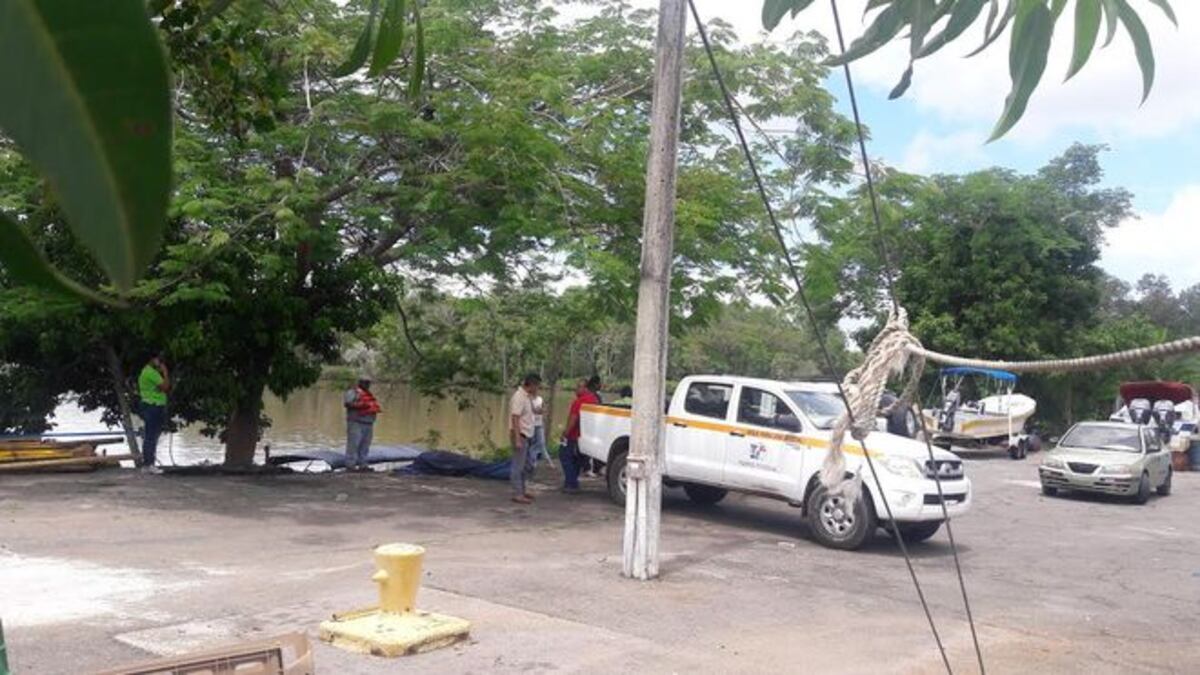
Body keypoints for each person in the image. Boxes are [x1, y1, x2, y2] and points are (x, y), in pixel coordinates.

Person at [561, 375, 601, 492]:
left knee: (565, 456)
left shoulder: (579, 402)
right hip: (588, 437)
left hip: (574, 436)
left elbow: (573, 420)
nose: (575, 390)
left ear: (585, 388)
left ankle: (571, 483)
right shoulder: (594, 400)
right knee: (578, 459)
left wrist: (565, 433)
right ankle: (573, 482)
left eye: (578, 387)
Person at [509, 373, 541, 504]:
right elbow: (515, 417)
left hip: (527, 435)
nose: (538, 389)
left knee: (526, 465)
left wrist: (538, 411)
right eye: (537, 386)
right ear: (532, 385)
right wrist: (517, 438)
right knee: (518, 466)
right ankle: (517, 493)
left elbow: (528, 413)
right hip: (520, 434)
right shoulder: (519, 397)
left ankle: (522, 490)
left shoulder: (528, 397)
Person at [137, 353, 171, 474]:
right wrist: (165, 372)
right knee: (151, 436)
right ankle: (149, 464)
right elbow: (166, 386)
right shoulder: (151, 373)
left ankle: (147, 464)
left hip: (151, 405)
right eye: (158, 360)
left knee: (150, 435)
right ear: (151, 359)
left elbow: (161, 388)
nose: (160, 362)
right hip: (153, 406)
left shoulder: (147, 372)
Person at [344, 375, 382, 472]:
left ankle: (363, 465)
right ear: (359, 383)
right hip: (356, 422)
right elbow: (347, 404)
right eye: (365, 382)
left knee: (365, 445)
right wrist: (361, 405)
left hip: (368, 423)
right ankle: (350, 466)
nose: (367, 385)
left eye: (368, 383)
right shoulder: (353, 392)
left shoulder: (368, 394)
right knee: (354, 444)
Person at [529, 392, 552, 469]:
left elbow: (543, 410)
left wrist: (542, 410)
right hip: (531, 424)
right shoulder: (528, 399)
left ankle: (548, 461)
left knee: (541, 443)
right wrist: (538, 410)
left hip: (539, 424)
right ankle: (533, 462)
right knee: (533, 443)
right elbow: (533, 410)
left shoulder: (540, 399)